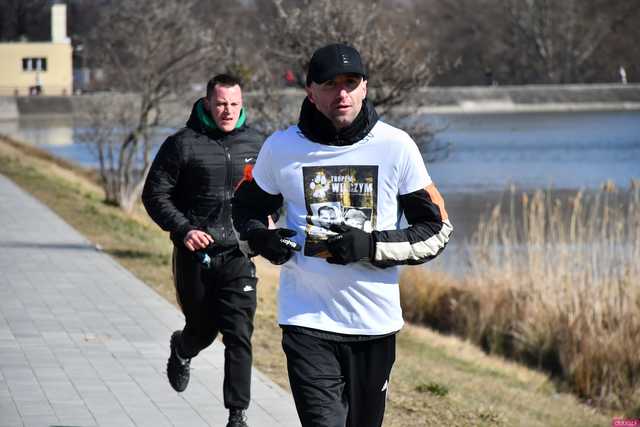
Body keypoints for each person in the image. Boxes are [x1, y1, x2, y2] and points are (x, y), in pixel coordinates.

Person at [232, 44, 453, 427]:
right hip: (306, 320)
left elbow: (437, 230)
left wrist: (370, 246)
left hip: (374, 324)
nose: (342, 93)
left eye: (351, 83)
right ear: (310, 91)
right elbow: (245, 210)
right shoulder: (282, 148)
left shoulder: (396, 147)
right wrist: (262, 240)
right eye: (330, 84)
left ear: (365, 87)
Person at [142, 74, 263, 427]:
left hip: (238, 253)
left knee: (239, 333)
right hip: (195, 255)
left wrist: (270, 218)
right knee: (203, 329)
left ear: (243, 104)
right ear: (208, 102)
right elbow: (154, 195)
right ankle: (182, 348)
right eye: (221, 103)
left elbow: (273, 192)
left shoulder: (258, 143)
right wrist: (184, 229)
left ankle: (237, 415)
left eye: (234, 104)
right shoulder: (182, 144)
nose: (228, 111)